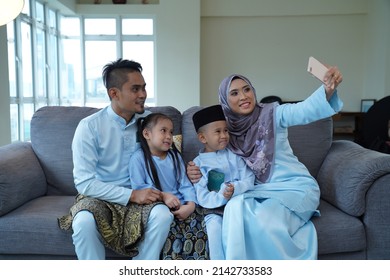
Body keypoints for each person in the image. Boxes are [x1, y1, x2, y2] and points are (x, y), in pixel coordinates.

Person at [187, 64, 343, 259]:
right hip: (258, 191)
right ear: (226, 102)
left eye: (247, 89)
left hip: (294, 187)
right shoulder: (227, 132)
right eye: (234, 93)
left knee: (262, 219)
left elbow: (304, 110)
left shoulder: (273, 114)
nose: (243, 97)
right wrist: (192, 168)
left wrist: (328, 89)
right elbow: (212, 158)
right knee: (235, 209)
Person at [58, 58, 173, 260]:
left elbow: (169, 153)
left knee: (163, 215)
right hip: (99, 197)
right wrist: (131, 195)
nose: (143, 95)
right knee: (83, 221)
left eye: (144, 88)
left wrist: (191, 169)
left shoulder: (149, 122)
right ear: (114, 93)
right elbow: (84, 183)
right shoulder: (89, 127)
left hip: (143, 197)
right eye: (135, 89)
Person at [191, 104, 256, 260]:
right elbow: (202, 196)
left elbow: (249, 178)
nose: (224, 135)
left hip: (240, 204)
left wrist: (236, 188)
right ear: (202, 138)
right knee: (214, 229)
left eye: (226, 130)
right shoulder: (198, 165)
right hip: (213, 210)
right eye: (218, 132)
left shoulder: (234, 155)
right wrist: (222, 196)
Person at [128, 113, 197, 221]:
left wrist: (191, 205)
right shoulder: (138, 159)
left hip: (181, 205)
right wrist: (163, 196)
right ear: (147, 134)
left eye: (171, 132)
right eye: (163, 130)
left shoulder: (175, 156)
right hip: (157, 206)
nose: (169, 136)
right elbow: (139, 188)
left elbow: (185, 184)